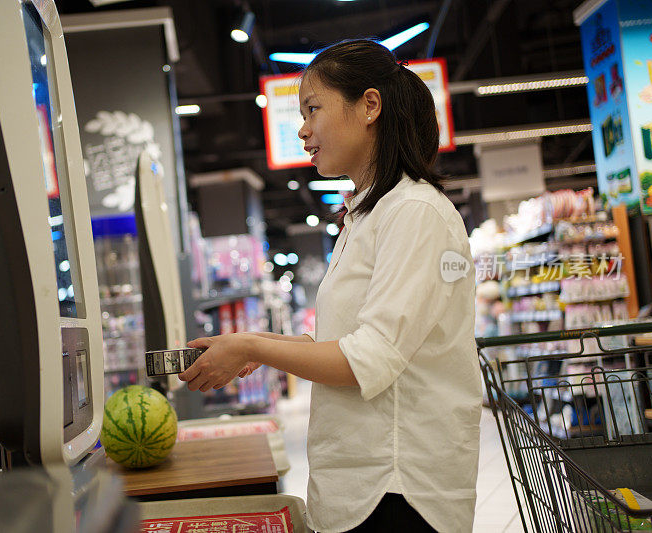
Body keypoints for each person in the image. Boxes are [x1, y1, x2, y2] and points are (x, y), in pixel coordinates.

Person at [179, 39, 481, 533]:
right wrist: (264, 347)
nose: (303, 129)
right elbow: (349, 339)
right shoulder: (368, 214)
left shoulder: (415, 213)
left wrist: (254, 343)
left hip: (399, 488)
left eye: (313, 109)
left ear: (369, 105)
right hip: (365, 480)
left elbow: (371, 359)